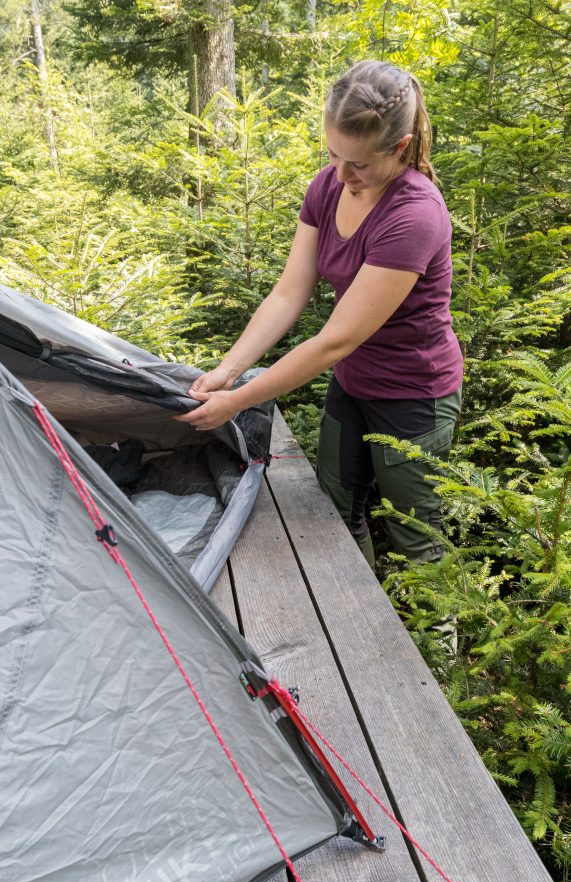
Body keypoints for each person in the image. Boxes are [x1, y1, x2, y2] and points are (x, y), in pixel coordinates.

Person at [174, 60, 463, 568]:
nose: (342, 175)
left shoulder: (414, 213)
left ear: (399, 148)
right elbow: (289, 293)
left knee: (415, 534)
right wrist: (227, 369)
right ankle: (358, 620)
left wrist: (237, 401)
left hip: (416, 395)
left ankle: (434, 642)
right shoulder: (328, 186)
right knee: (338, 509)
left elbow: (335, 341)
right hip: (353, 385)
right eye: (333, 156)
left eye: (359, 164)